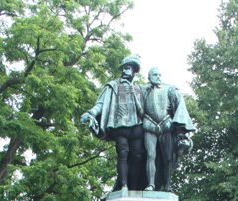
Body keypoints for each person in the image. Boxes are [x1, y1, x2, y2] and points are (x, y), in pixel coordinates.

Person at [80, 54, 145, 191]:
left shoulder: (140, 88)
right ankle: (124, 186)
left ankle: (133, 187)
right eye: (124, 68)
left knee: (138, 156)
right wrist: (91, 113)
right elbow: (101, 103)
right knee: (122, 154)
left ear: (134, 70)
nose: (124, 71)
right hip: (120, 125)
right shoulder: (113, 86)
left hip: (137, 126)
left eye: (128, 68)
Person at [141, 67, 194, 192]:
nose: (158, 77)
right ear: (149, 77)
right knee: (150, 155)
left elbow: (179, 105)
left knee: (168, 157)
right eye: (154, 75)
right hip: (149, 125)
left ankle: (167, 185)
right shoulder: (143, 90)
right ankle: (151, 184)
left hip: (166, 126)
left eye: (159, 74)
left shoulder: (169, 89)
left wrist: (180, 130)